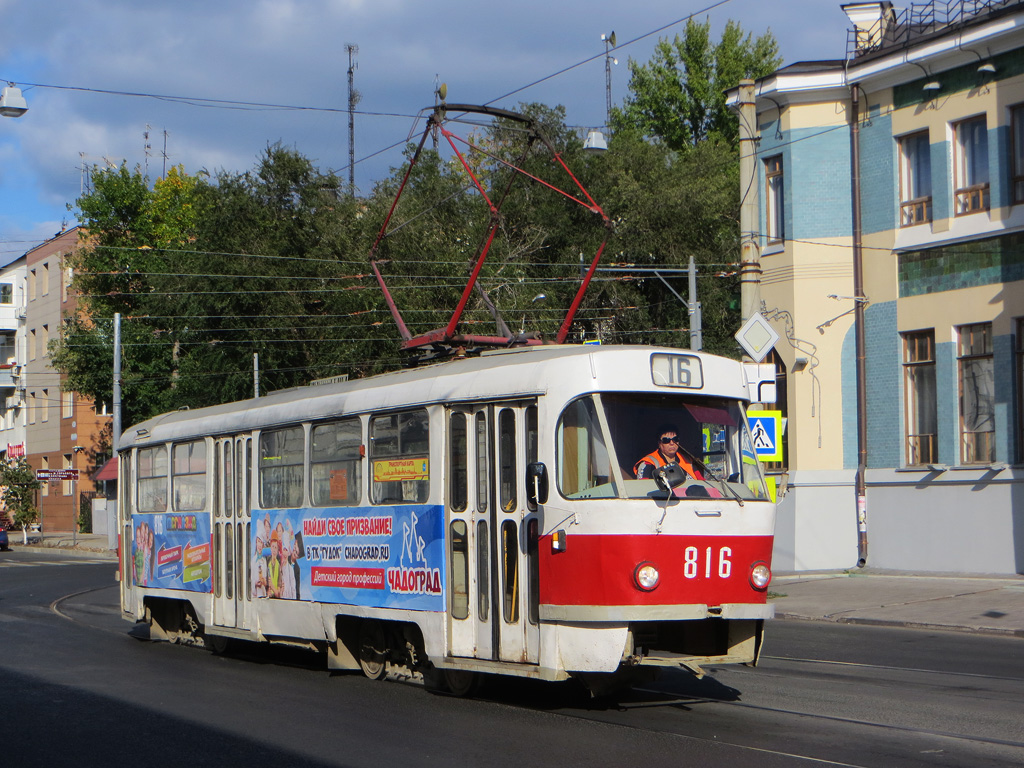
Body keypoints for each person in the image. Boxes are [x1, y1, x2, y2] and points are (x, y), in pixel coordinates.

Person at [634, 425, 704, 481]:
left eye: (675, 439)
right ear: (659, 443)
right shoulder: (648, 463)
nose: (671, 443)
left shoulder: (688, 460)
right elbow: (643, 488)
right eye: (666, 440)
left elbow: (702, 482)